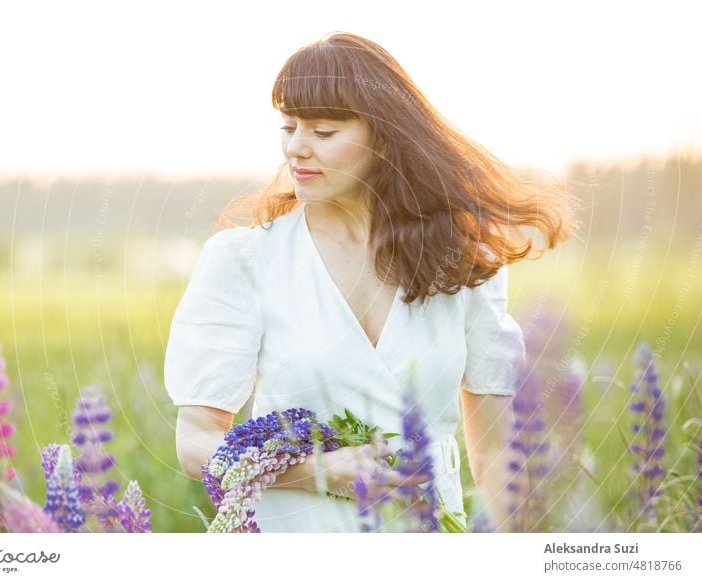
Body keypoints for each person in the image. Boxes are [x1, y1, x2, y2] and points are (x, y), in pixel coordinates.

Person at [164, 31, 578, 532]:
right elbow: (196, 445)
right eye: (289, 126)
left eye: (323, 131)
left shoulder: (463, 260)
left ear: (383, 136)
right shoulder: (245, 260)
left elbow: (493, 451)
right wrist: (318, 471)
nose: (296, 147)